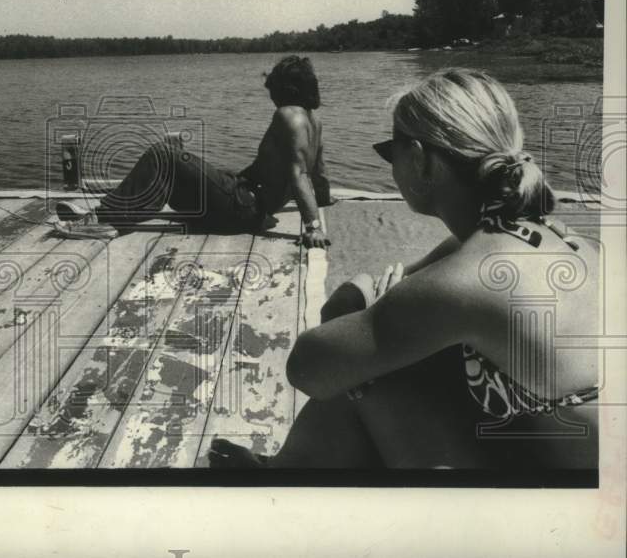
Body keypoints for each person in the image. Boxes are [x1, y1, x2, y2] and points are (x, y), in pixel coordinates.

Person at [209, 68, 599, 469]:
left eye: (389, 151)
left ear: (419, 159)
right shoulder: (554, 238)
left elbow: (307, 368)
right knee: (397, 355)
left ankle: (282, 476)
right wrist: (387, 312)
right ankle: (288, 468)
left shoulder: (468, 277)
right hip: (575, 468)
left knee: (366, 375)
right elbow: (400, 300)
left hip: (552, 495)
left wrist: (367, 306)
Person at [54, 55, 332, 245]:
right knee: (172, 169)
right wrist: (324, 201)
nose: (271, 96)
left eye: (273, 89)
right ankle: (109, 210)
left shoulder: (288, 116)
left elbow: (299, 174)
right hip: (245, 203)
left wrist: (313, 227)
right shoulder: (313, 122)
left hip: (243, 208)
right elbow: (318, 173)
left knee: (163, 154)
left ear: (285, 88)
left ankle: (103, 220)